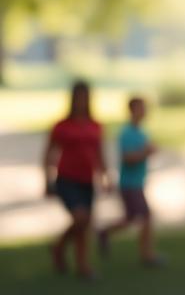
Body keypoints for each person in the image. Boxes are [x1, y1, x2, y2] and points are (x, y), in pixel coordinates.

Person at [43, 79, 109, 280]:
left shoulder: (96, 125)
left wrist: (106, 177)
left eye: (85, 97)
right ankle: (60, 248)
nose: (82, 101)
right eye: (79, 97)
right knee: (80, 217)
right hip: (66, 179)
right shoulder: (62, 126)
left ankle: (80, 264)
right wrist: (47, 179)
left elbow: (99, 153)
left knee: (85, 225)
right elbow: (49, 154)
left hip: (87, 180)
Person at [97, 96, 162, 265]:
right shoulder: (126, 133)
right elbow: (128, 158)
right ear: (132, 110)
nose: (144, 112)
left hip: (137, 182)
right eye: (141, 108)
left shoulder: (141, 132)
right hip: (130, 184)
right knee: (145, 217)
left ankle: (104, 232)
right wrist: (146, 152)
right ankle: (146, 255)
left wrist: (149, 151)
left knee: (130, 219)